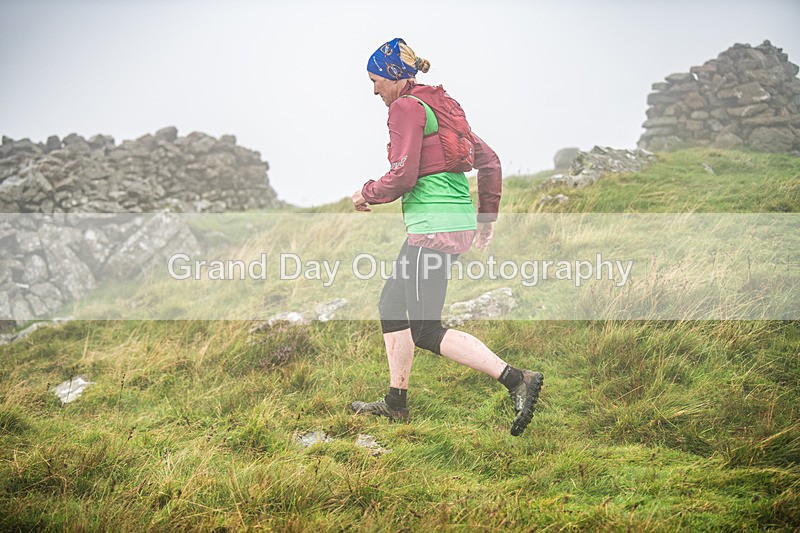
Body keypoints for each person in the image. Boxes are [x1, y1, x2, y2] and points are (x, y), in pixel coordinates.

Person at [349, 38, 543, 437]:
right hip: (451, 224)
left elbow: (403, 175)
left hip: (433, 228)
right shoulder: (441, 105)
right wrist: (485, 218)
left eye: (374, 80)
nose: (374, 91)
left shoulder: (405, 107)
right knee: (391, 303)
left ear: (392, 76)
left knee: (426, 330)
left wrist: (367, 192)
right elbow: (490, 161)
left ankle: (517, 379)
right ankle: (395, 403)